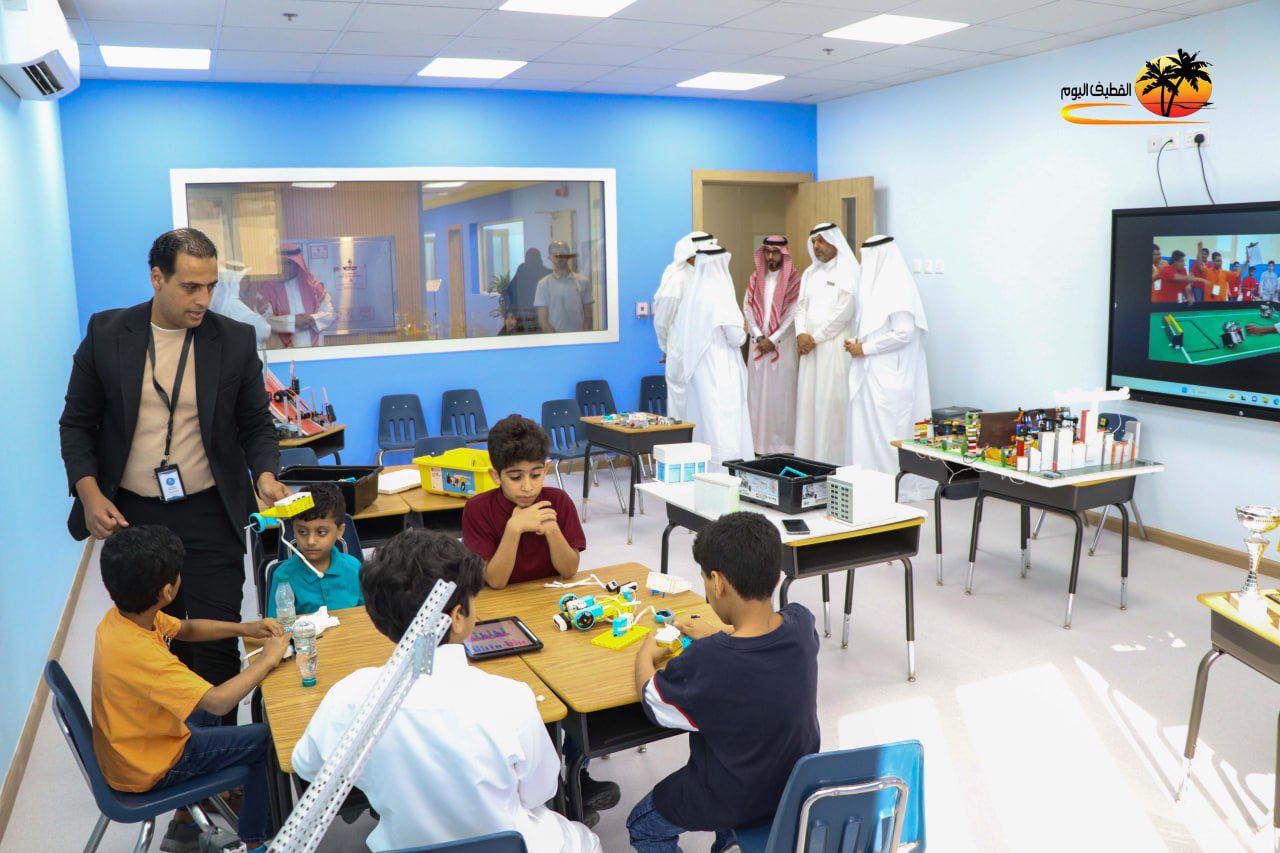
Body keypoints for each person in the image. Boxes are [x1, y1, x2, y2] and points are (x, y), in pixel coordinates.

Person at [60, 228, 290, 719]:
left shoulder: (233, 340)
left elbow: (256, 424)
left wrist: (266, 476)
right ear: (157, 278)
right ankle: (179, 747)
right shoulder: (107, 334)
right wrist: (90, 493)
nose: (203, 299)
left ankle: (223, 752)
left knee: (216, 641)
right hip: (133, 514)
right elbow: (76, 424)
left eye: (210, 286)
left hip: (210, 510)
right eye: (190, 286)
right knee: (159, 639)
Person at [292, 529, 602, 853]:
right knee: (584, 840)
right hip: (510, 846)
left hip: (402, 847)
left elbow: (307, 766)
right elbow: (542, 790)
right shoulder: (509, 699)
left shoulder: (348, 698)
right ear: (456, 617)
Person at [627, 512, 820, 853]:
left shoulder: (707, 661)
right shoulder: (802, 625)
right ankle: (730, 839)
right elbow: (761, 643)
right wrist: (722, 632)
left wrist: (645, 654)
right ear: (776, 577)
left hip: (733, 795)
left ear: (717, 583)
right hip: (792, 788)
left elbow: (653, 701)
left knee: (642, 826)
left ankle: (731, 831)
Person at [93, 526, 289, 852]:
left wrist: (245, 628)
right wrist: (268, 660)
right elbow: (219, 702)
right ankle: (256, 840)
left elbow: (186, 628)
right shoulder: (143, 655)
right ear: (168, 591)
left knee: (206, 703)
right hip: (154, 765)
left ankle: (185, 824)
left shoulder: (124, 619)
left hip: (133, 746)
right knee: (267, 741)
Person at [843, 236, 932, 499]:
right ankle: (867, 486)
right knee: (865, 433)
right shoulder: (875, 286)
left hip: (889, 376)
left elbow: (904, 332)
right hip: (872, 373)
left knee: (887, 436)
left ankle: (891, 488)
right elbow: (877, 327)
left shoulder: (897, 284)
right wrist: (858, 342)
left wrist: (865, 348)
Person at [462, 414, 586, 589]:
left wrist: (552, 529)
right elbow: (496, 581)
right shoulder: (477, 509)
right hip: (502, 600)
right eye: (515, 477)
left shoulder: (559, 501)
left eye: (535, 475)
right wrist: (514, 528)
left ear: (545, 470)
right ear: (496, 476)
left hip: (549, 595)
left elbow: (569, 571)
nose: (527, 487)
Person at [673, 245, 754, 468]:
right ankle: (724, 475)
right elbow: (736, 337)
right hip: (721, 371)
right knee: (724, 427)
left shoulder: (692, 295)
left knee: (705, 424)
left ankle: (704, 472)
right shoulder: (722, 294)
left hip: (700, 373)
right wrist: (744, 329)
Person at [794, 223, 858, 465]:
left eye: (821, 240)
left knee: (830, 407)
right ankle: (808, 461)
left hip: (833, 350)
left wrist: (815, 338)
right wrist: (800, 333)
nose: (816, 246)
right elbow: (800, 308)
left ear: (834, 241)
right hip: (809, 351)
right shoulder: (810, 273)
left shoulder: (849, 272)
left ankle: (832, 463)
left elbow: (844, 312)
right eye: (813, 241)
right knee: (809, 405)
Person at [265, 483, 363, 618]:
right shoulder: (283, 576)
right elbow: (276, 625)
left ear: (340, 531)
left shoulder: (354, 568)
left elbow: (366, 617)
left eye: (321, 532)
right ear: (293, 530)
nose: (311, 541)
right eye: (302, 532)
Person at [744, 236, 802, 455]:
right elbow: (747, 308)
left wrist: (774, 338)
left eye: (775, 252)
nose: (770, 257)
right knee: (757, 394)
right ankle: (757, 445)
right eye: (767, 252)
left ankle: (782, 447)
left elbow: (794, 313)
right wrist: (760, 337)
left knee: (781, 397)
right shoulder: (755, 278)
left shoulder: (794, 280)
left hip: (782, 347)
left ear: (783, 254)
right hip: (758, 345)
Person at [654, 232, 714, 419]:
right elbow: (661, 321)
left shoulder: (707, 278)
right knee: (682, 408)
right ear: (692, 254)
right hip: (681, 354)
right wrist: (666, 347)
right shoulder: (678, 278)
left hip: (703, 355)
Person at [258, 243, 336, 348]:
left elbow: (330, 314)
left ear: (297, 264)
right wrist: (293, 321)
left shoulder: (312, 285)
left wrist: (312, 319)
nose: (284, 268)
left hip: (313, 351)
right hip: (283, 352)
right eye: (281, 264)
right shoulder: (267, 288)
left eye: (288, 264)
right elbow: (263, 320)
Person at [535, 240, 593, 333]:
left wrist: (582, 338)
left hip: (579, 338)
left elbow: (588, 317)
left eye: (562, 254)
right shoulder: (543, 284)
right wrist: (556, 339)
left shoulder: (583, 281)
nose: (559, 258)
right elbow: (543, 321)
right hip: (554, 339)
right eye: (555, 255)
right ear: (549, 258)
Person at [210, 261, 270, 346]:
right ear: (234, 280)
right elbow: (264, 331)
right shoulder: (232, 304)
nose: (248, 282)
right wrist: (267, 317)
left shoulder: (219, 300)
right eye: (244, 279)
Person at [509, 247, 551, 333]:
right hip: (531, 315)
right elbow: (511, 290)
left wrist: (513, 311)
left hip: (530, 315)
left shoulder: (522, 268)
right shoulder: (547, 273)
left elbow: (510, 291)